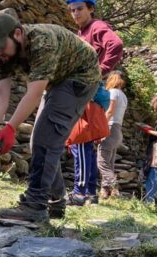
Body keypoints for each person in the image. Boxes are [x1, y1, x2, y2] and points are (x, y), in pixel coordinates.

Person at [0, 9, 101, 222]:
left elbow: (35, 92)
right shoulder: (0, 56)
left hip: (81, 76)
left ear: (18, 34)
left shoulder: (42, 41)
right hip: (56, 80)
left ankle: (35, 205)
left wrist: (10, 127)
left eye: (2, 47)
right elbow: (0, 97)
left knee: (46, 139)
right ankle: (56, 202)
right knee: (37, 140)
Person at [67, 0, 123, 205]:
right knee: (86, 144)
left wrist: (100, 71)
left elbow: (116, 44)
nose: (76, 14)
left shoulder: (96, 27)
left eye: (80, 9)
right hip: (87, 92)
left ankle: (79, 192)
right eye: (72, 10)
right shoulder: (82, 33)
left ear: (90, 9)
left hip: (87, 94)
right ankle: (90, 192)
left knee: (81, 140)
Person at [98, 70, 128, 200]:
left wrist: (100, 126)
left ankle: (114, 186)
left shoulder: (113, 92)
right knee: (109, 163)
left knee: (101, 162)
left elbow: (110, 111)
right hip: (118, 130)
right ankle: (105, 193)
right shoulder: (123, 95)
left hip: (109, 128)